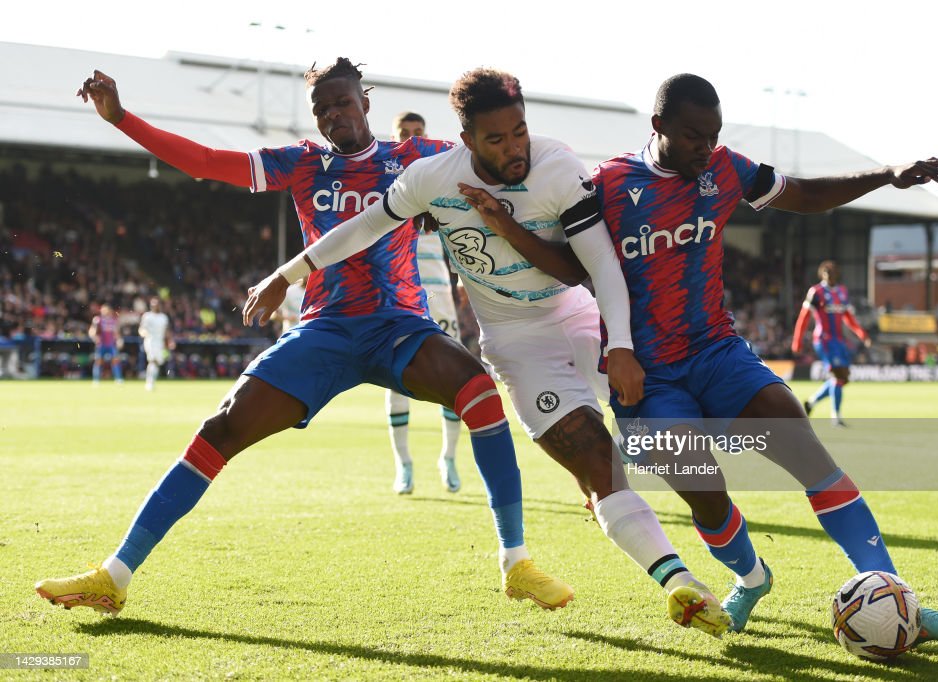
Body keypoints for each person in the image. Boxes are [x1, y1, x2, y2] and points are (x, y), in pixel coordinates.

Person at [35, 61, 572, 617]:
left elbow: (496, 155)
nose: (332, 115)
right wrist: (122, 118)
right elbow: (204, 162)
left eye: (341, 102)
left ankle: (516, 562)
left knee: (479, 393)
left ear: (365, 101)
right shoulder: (301, 163)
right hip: (326, 329)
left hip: (400, 327)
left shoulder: (415, 156)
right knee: (221, 427)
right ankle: (114, 575)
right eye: (321, 109)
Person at [245, 68, 734, 638]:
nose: (514, 148)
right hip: (515, 345)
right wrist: (290, 272)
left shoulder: (557, 166)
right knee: (594, 463)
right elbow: (364, 226)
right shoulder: (432, 178)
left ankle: (742, 560)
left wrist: (621, 346)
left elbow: (601, 265)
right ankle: (679, 584)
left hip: (577, 316)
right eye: (497, 139)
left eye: (520, 131)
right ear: (467, 140)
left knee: (660, 439)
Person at [591, 72, 938, 645]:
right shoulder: (608, 185)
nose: (707, 146)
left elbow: (808, 195)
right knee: (704, 490)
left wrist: (886, 175)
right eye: (694, 135)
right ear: (658, 128)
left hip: (715, 350)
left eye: (714, 134)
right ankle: (752, 579)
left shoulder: (726, 168)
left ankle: (899, 601)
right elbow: (566, 257)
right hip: (646, 374)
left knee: (801, 439)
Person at [386, 112, 462, 495]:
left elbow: (457, 234)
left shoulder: (439, 179)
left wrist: (464, 277)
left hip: (439, 298)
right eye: (405, 134)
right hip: (399, 298)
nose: (413, 138)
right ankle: (404, 465)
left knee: (452, 379)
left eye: (419, 132)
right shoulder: (384, 182)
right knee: (397, 380)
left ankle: (448, 457)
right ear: (394, 138)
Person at [791, 260, 871, 426]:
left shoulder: (842, 292)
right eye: (826, 273)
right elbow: (803, 318)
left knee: (842, 378)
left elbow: (849, 318)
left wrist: (862, 334)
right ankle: (836, 416)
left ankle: (811, 402)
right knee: (837, 376)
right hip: (824, 340)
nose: (830, 276)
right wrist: (797, 341)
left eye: (832, 273)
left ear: (837, 274)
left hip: (839, 340)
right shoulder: (816, 292)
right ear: (822, 275)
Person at [138, 296, 175, 391]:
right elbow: (142, 329)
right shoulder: (147, 316)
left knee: (158, 362)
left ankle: (152, 380)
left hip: (160, 343)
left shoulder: (163, 317)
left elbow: (167, 330)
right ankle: (149, 383)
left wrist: (170, 341)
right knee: (152, 360)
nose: (155, 306)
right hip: (150, 341)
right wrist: (143, 333)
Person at [89, 303, 123, 384]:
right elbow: (92, 331)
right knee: (98, 361)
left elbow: (116, 332)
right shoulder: (98, 320)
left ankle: (118, 379)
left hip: (111, 344)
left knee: (115, 361)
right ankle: (96, 380)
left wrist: (119, 340)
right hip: (101, 344)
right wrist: (94, 337)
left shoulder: (113, 320)